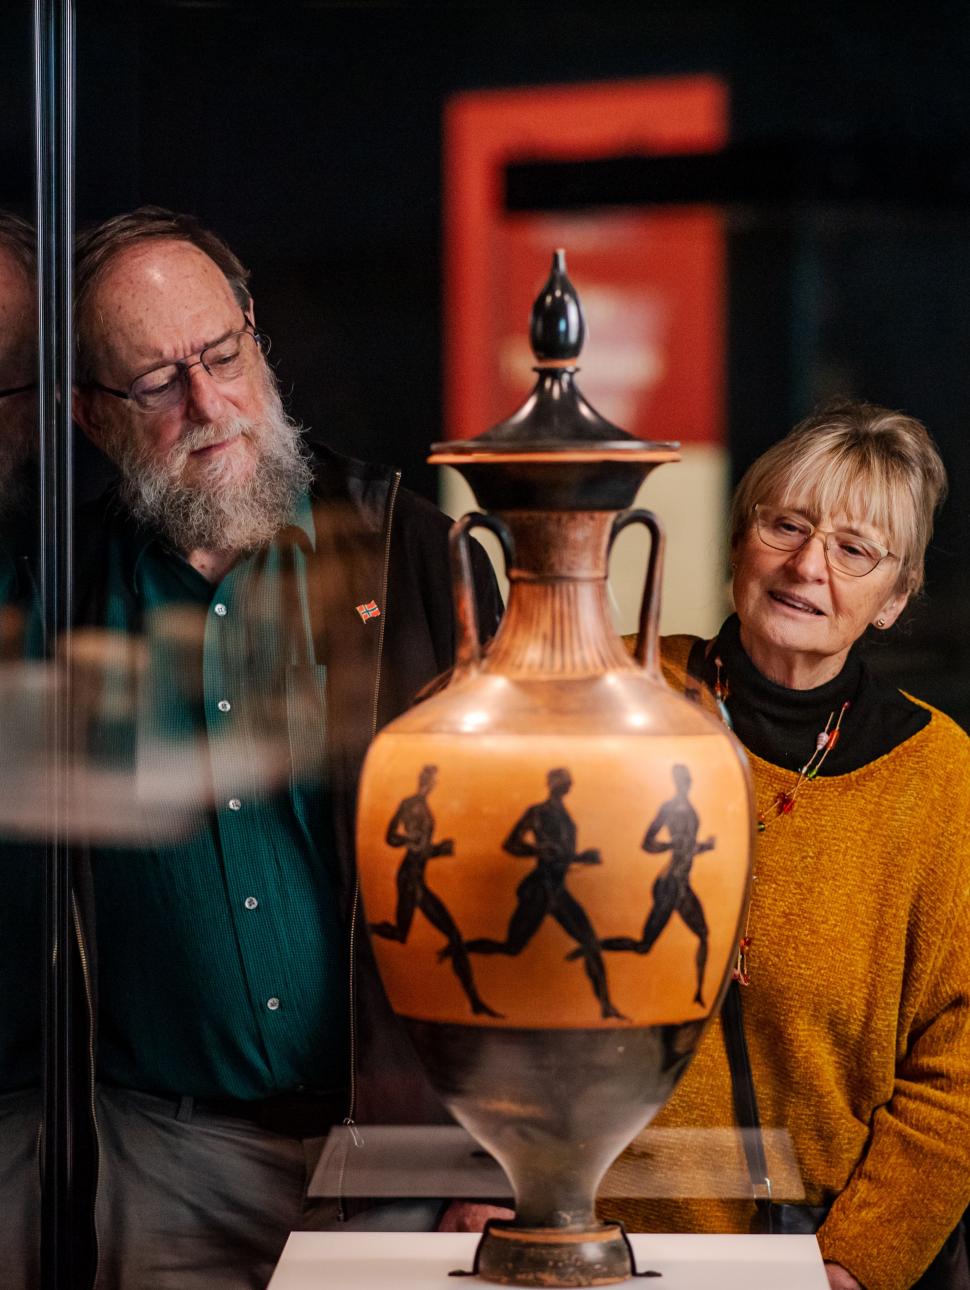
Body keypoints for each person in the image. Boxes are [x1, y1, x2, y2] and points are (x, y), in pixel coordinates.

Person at [69, 206, 501, 1290]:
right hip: (162, 1160)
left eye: (221, 354)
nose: (209, 404)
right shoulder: (60, 593)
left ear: (257, 335)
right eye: (158, 384)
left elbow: (519, 880)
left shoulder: (423, 560)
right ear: (87, 413)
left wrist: (500, 1157)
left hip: (405, 1158)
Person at [601, 402, 970, 1290]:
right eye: (787, 524)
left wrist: (853, 1263)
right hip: (592, 1243)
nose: (808, 565)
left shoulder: (939, 777)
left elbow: (960, 1062)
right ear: (740, 539)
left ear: (896, 599)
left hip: (813, 1258)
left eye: (855, 549)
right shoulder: (608, 692)